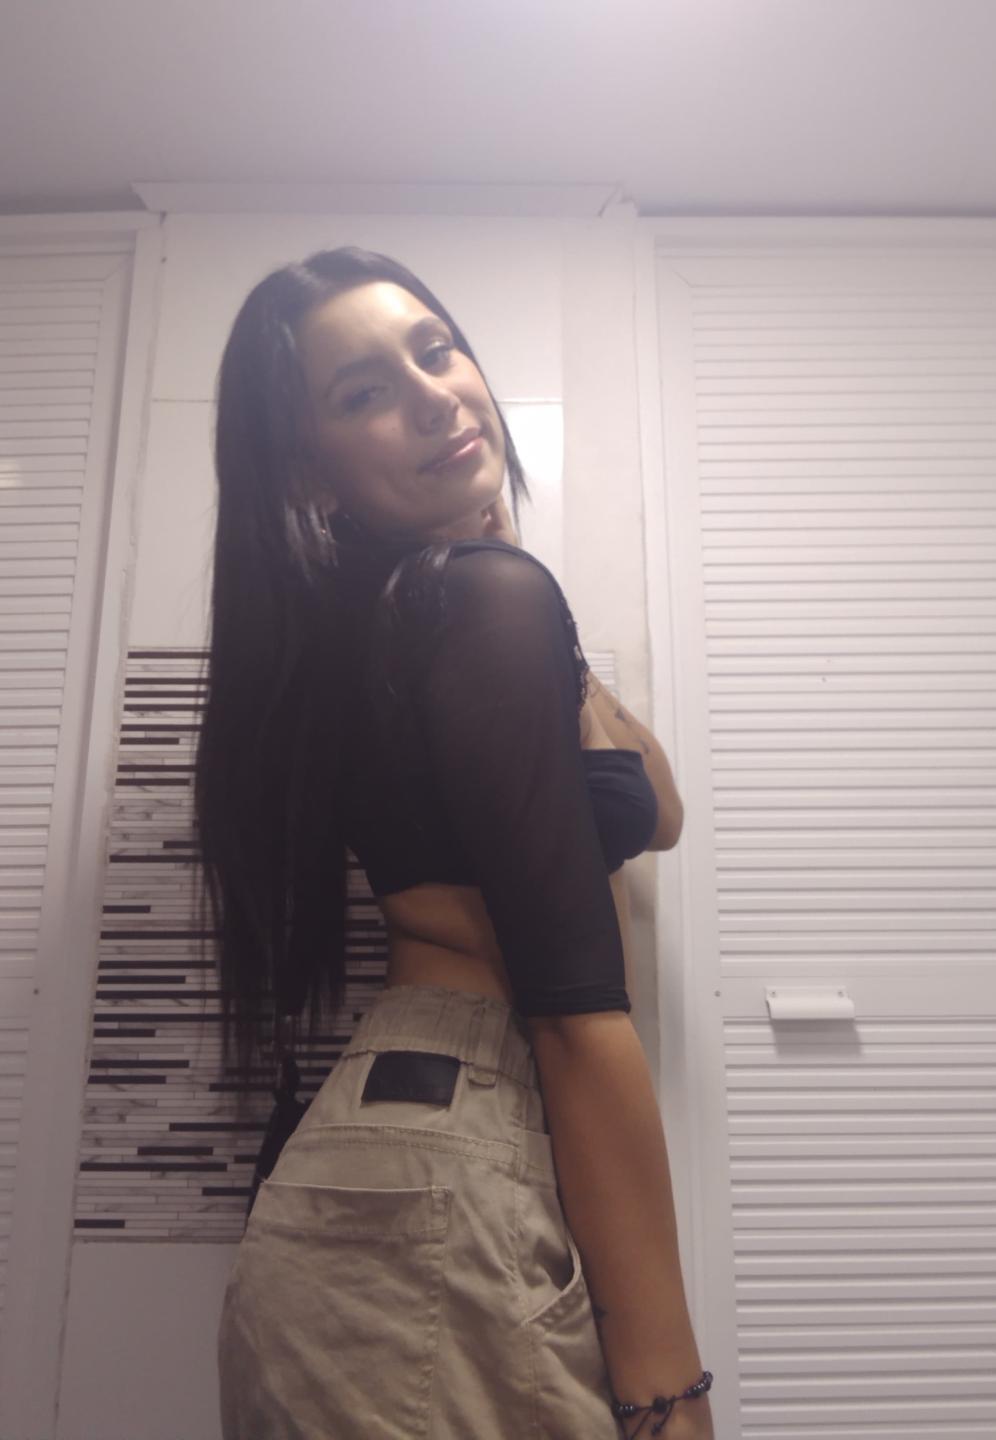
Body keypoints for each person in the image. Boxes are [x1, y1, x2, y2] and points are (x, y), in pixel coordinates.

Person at [194, 245, 714, 1439]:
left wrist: (528, 590)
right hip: (449, 1156)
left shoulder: (458, 605)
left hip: (417, 1164)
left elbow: (660, 813)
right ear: (308, 467)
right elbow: (575, 1015)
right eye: (365, 392)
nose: (434, 396)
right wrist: (671, 1397)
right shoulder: (464, 603)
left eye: (436, 351)